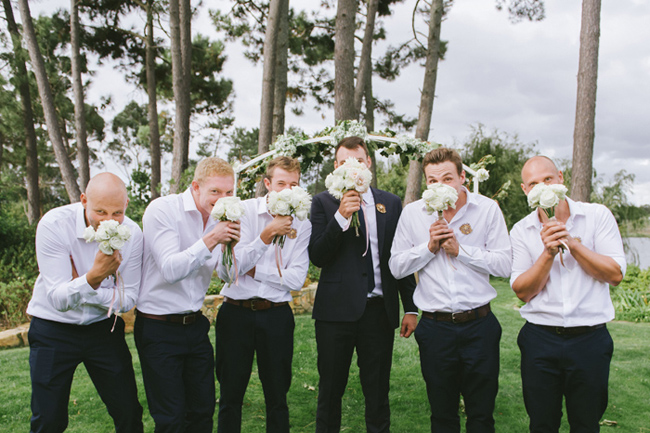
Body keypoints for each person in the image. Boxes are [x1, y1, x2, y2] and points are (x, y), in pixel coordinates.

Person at [389, 147, 511, 433]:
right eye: (432, 180)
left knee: (481, 415)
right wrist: (428, 248)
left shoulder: (487, 209)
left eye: (447, 178)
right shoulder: (412, 214)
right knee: (442, 416)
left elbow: (505, 265)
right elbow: (396, 266)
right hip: (435, 328)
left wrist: (462, 251)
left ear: (462, 177)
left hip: (480, 325)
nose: (440, 185)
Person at [308, 136, 417, 433]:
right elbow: (318, 256)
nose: (351, 167)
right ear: (336, 167)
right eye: (344, 162)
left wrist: (411, 308)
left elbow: (401, 258)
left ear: (368, 163)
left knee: (378, 393)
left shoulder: (391, 203)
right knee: (330, 392)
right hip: (334, 315)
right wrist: (341, 216)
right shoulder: (322, 202)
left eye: (357, 160)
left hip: (378, 313)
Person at [510, 155, 626, 432]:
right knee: (542, 423)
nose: (543, 187)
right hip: (540, 339)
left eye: (547, 179)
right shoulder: (520, 230)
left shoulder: (597, 215)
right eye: (534, 183)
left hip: (590, 340)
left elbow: (614, 275)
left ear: (561, 178)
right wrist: (548, 254)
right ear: (526, 190)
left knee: (586, 424)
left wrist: (570, 242)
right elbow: (523, 292)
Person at [26, 173, 144, 433]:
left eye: (117, 213)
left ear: (126, 204)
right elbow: (58, 299)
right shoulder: (54, 225)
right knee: (48, 419)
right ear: (83, 201)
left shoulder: (133, 233)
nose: (109, 221)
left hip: (103, 328)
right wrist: (94, 278)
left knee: (128, 411)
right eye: (100, 211)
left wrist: (80, 284)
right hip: (52, 329)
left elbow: (127, 300)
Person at [135, 157, 241, 433]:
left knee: (202, 412)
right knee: (171, 419)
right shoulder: (163, 210)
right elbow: (170, 269)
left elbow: (228, 277)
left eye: (228, 192)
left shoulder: (221, 221)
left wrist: (230, 249)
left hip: (195, 327)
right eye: (215, 192)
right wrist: (212, 239)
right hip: (158, 328)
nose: (222, 199)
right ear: (196, 187)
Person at [214, 156, 311, 433]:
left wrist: (255, 270)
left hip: (277, 315)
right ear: (267, 184)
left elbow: (295, 279)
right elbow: (228, 271)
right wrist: (266, 236)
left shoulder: (302, 223)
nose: (287, 190)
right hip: (235, 313)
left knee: (278, 396)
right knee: (230, 396)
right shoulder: (241, 212)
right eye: (281, 183)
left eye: (293, 185)